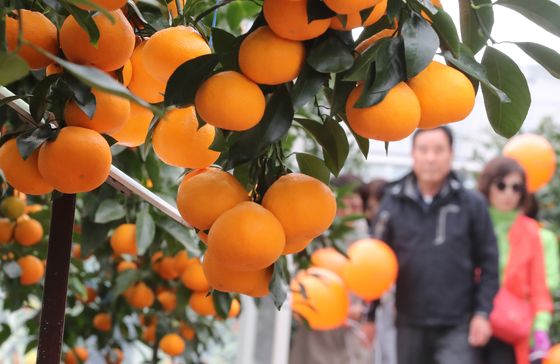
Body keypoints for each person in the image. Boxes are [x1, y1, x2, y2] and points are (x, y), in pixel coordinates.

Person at [365, 126, 500, 364]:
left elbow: (489, 262)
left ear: (451, 153)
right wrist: (370, 316)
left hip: (458, 322)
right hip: (408, 320)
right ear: (413, 154)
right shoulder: (393, 202)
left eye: (438, 150)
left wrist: (482, 312)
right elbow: (374, 262)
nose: (431, 158)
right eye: (424, 150)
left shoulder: (471, 204)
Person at [289, 174, 372, 364]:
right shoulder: (316, 237)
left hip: (351, 336)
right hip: (317, 332)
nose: (353, 205)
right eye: (348, 201)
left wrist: (360, 311)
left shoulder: (366, 242)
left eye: (357, 203)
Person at [477, 157, 553, 364]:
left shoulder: (530, 230)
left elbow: (539, 286)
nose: (508, 193)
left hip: (510, 328)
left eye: (516, 187)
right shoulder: (473, 221)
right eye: (501, 185)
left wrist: (541, 328)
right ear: (488, 185)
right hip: (471, 319)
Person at [525, 194, 559, 364]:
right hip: (505, 315)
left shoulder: (544, 237)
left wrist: (525, 290)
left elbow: (552, 279)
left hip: (537, 317)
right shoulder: (499, 234)